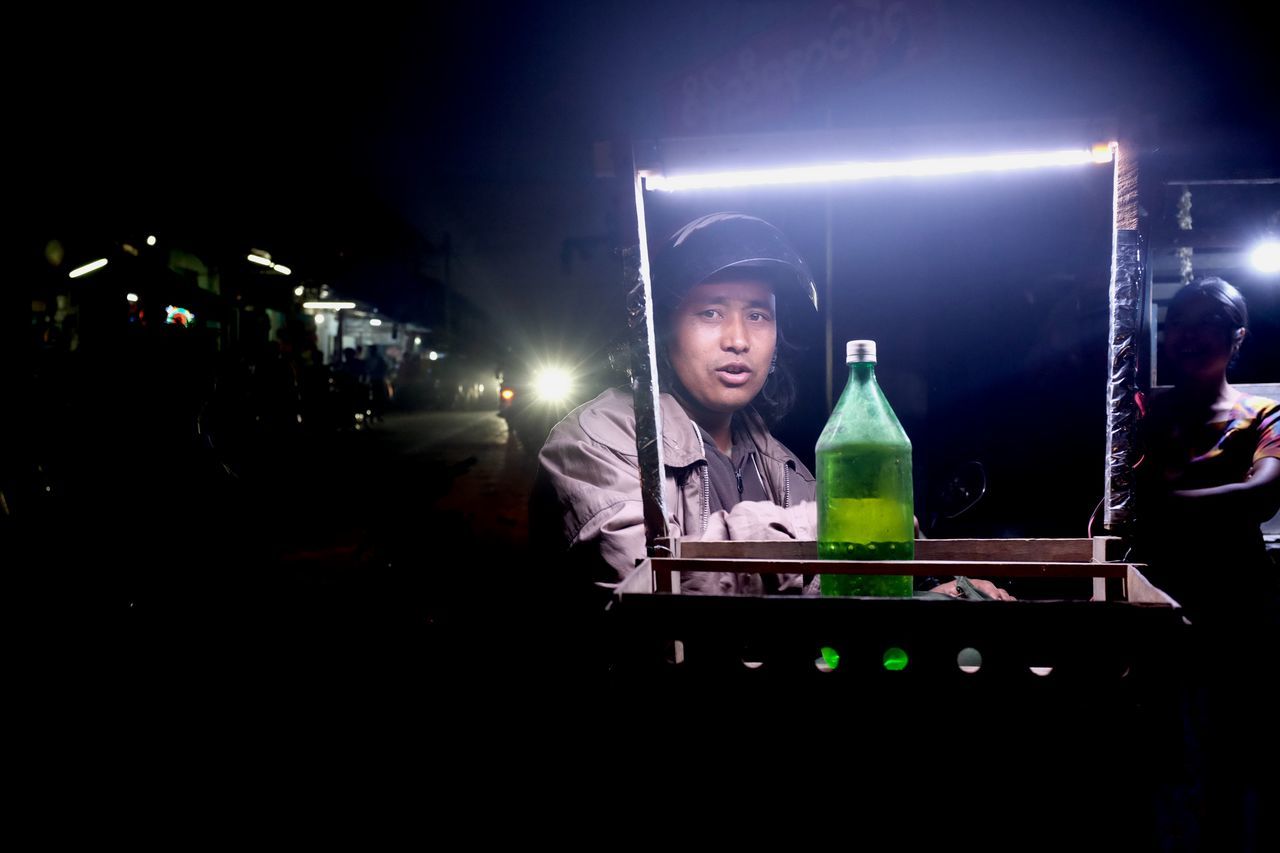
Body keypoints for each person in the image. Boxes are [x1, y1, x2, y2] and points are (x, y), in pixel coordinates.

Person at [532, 212, 1009, 602]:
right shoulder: (594, 441)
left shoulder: (781, 465)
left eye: (758, 315)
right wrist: (832, 523)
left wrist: (938, 591)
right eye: (710, 312)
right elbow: (646, 592)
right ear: (661, 330)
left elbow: (835, 595)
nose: (738, 340)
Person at [1134, 276, 1280, 848]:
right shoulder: (1144, 413)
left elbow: (1264, 493)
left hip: (1236, 604)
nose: (1189, 337)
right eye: (1179, 326)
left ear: (1236, 337)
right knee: (1158, 747)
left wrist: (1166, 502)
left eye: (1206, 326)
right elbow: (1117, 505)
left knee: (1233, 751)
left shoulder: (1263, 412)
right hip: (1157, 601)